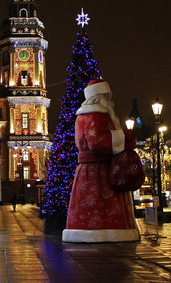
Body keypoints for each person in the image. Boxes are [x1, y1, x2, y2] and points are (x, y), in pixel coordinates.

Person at [62, 79, 139, 243]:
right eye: (107, 95)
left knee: (85, 205)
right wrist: (124, 137)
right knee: (103, 204)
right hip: (100, 170)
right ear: (100, 96)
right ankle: (105, 231)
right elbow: (96, 141)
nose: (110, 99)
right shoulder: (98, 114)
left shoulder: (82, 115)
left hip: (86, 171)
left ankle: (87, 230)